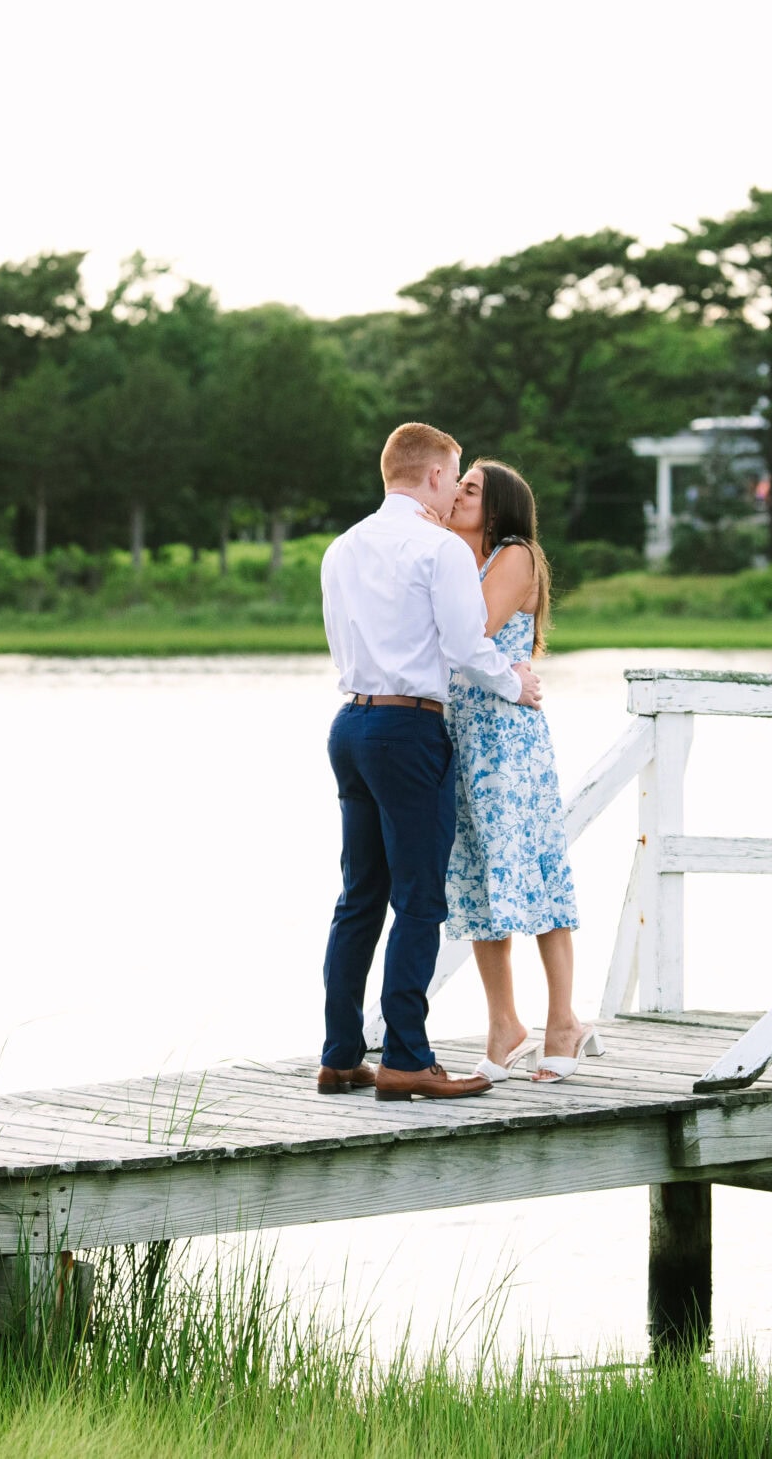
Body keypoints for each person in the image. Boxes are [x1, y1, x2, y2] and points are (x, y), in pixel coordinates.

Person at [317, 423, 543, 1102]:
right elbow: (468, 642)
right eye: (454, 476)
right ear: (437, 476)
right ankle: (408, 1057)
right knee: (420, 898)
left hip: (351, 723)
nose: (455, 491)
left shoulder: (342, 547)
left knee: (359, 897)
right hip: (409, 729)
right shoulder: (439, 549)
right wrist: (517, 682)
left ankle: (340, 1054)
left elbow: (338, 639)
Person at [440, 460, 597, 1082]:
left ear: (498, 507)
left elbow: (467, 632)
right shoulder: (457, 561)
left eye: (470, 489)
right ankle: (504, 1024)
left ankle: (564, 1022)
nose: (456, 494)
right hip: (464, 738)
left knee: (532, 870)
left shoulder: (514, 554)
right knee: (479, 880)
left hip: (506, 742)